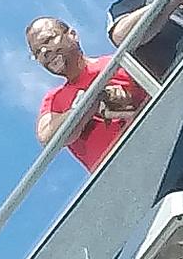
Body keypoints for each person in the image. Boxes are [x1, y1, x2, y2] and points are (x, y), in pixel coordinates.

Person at [27, 17, 143, 170]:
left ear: (72, 35)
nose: (44, 52)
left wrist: (125, 99)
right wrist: (89, 102)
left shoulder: (116, 62)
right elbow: (47, 137)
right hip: (117, 175)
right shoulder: (54, 99)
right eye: (37, 53)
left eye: (48, 40)